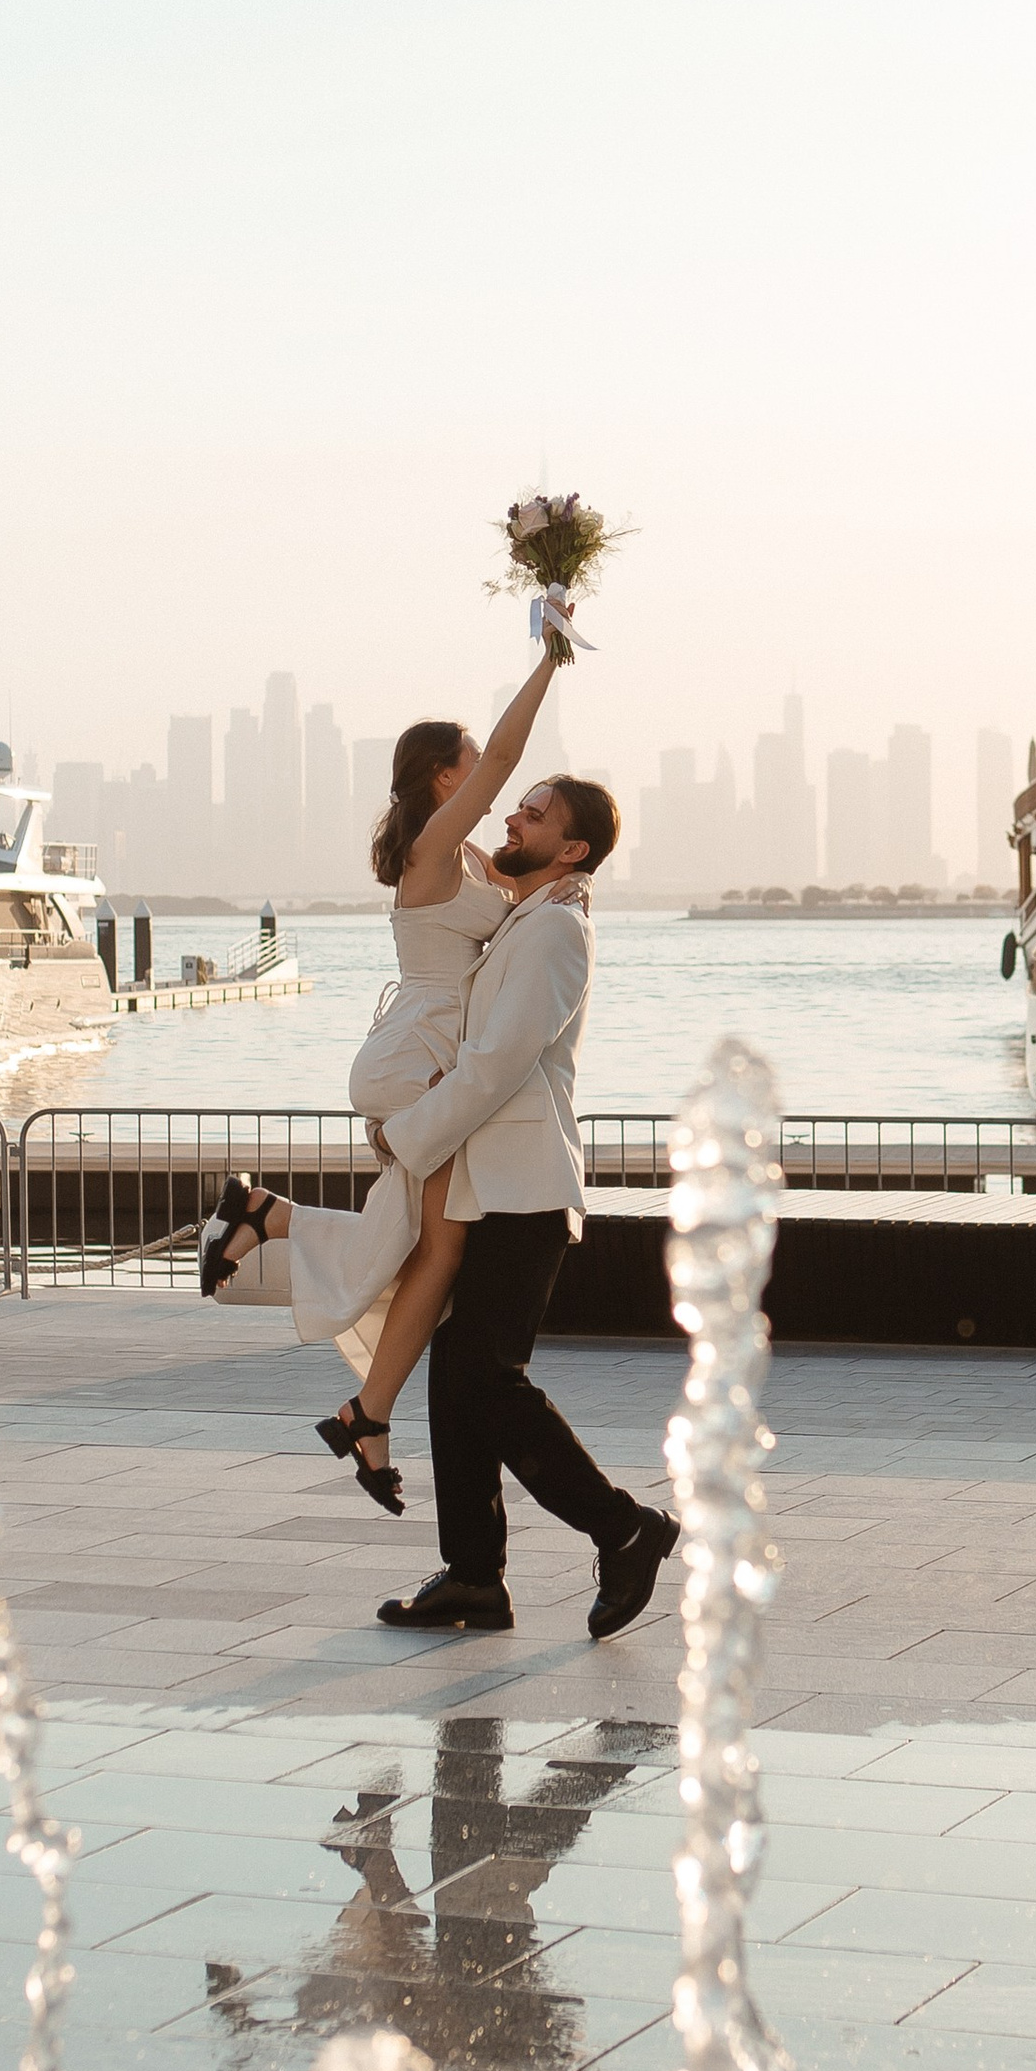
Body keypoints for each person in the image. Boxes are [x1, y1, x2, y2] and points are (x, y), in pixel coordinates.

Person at [196, 651, 562, 1510]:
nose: (490, 781)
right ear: (445, 776)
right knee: (438, 1250)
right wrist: (548, 661)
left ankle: (362, 1401)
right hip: (415, 1060)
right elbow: (509, 759)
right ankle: (354, 1385)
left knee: (422, 1247)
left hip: (426, 1058)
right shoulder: (432, 851)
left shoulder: (466, 854)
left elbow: (546, 879)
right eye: (471, 767)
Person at [365, 773, 677, 1641]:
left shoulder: (554, 933)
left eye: (533, 814)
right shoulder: (526, 917)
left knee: (482, 1376)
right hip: (492, 1183)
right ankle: (474, 1576)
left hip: (526, 1189)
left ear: (572, 850)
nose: (513, 814)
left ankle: (624, 1529)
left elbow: (498, 1062)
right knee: (461, 1371)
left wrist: (408, 1133)